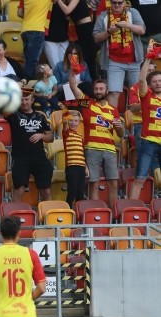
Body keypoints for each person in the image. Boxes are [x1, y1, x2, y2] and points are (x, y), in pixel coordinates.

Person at [68, 71, 124, 208]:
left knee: (113, 184)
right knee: (94, 184)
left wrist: (120, 127)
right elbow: (73, 87)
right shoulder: (87, 103)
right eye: (96, 89)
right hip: (92, 149)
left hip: (110, 150)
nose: (98, 91)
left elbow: (120, 134)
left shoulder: (113, 110)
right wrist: (73, 71)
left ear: (107, 90)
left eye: (101, 89)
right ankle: (96, 214)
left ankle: (113, 217)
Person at [5, 89, 54, 204]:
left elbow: (50, 137)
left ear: (32, 101)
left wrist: (41, 135)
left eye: (27, 99)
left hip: (39, 157)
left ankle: (49, 218)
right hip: (21, 158)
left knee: (46, 190)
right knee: (19, 189)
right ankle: (14, 218)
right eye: (21, 100)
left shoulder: (40, 117)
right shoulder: (14, 115)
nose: (24, 102)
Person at [93, 0, 145, 108]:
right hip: (114, 61)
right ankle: (113, 121)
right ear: (110, 3)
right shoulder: (103, 16)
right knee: (113, 92)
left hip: (134, 61)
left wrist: (128, 25)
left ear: (125, 3)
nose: (117, 5)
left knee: (137, 93)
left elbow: (142, 30)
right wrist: (108, 32)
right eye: (114, 2)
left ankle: (135, 122)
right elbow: (96, 38)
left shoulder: (133, 12)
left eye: (120, 2)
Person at [130, 56, 161, 200]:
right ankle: (130, 213)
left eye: (160, 81)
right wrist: (148, 59)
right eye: (154, 82)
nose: (158, 84)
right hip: (149, 142)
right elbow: (142, 80)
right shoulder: (147, 96)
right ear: (150, 85)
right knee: (140, 178)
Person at [18, 0, 50, 81]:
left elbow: (20, 13)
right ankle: (24, 81)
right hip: (37, 30)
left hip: (25, 30)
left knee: (29, 60)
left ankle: (31, 86)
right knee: (32, 61)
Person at [62, 110, 88, 207]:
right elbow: (64, 125)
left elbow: (82, 154)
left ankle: (78, 214)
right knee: (71, 191)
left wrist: (86, 167)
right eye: (71, 120)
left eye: (76, 121)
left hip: (81, 167)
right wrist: (66, 119)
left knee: (80, 193)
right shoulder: (66, 133)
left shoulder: (80, 136)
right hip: (71, 167)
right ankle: (67, 210)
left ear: (79, 122)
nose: (73, 123)